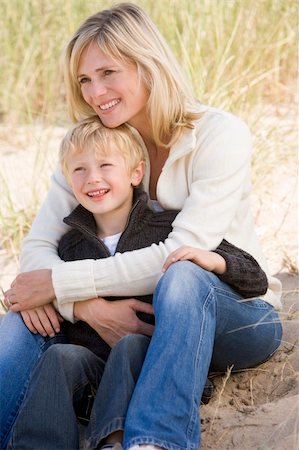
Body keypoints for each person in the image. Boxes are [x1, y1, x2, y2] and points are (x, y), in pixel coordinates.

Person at [2, 3, 282, 450]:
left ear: (147, 64)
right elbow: (40, 246)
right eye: (84, 80)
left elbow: (179, 253)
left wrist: (59, 284)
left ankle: (158, 442)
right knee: (21, 321)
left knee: (185, 275)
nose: (96, 92)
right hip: (130, 319)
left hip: (231, 313)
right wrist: (85, 306)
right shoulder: (92, 147)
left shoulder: (218, 134)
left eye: (108, 72)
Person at [7, 115, 269, 450]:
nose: (93, 178)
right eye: (79, 170)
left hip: (150, 367)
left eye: (105, 165)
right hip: (94, 372)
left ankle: (114, 442)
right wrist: (40, 299)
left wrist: (216, 260)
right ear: (68, 182)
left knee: (131, 346)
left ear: (136, 173)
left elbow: (254, 276)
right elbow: (32, 289)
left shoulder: (166, 229)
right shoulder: (68, 248)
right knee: (60, 356)